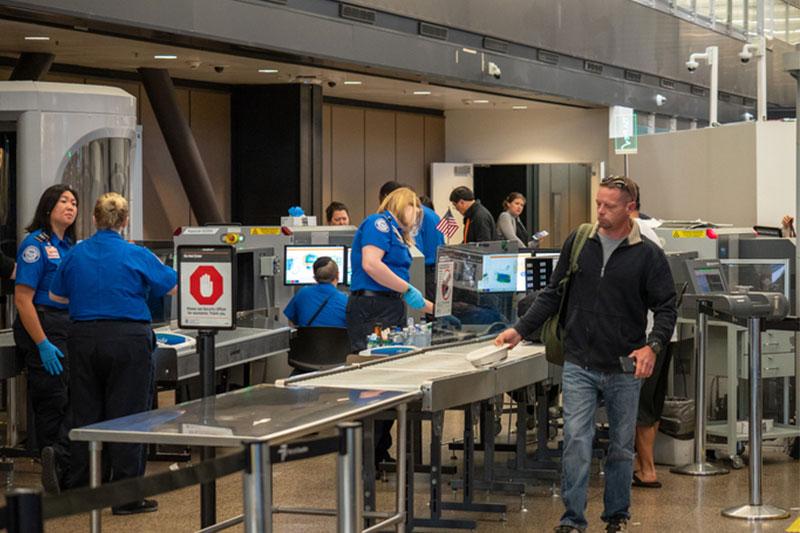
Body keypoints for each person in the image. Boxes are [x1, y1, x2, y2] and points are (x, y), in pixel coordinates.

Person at [494, 175, 677, 533]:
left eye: (609, 206)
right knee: (576, 442)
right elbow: (552, 293)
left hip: (624, 366)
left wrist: (652, 345)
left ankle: (616, 516)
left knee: (621, 447)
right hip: (579, 361)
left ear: (630, 208)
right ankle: (572, 520)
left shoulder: (648, 254)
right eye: (598, 203)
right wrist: (520, 330)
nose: (600, 211)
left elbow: (667, 307)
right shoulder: (580, 241)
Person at [50, 192, 177, 515]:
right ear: (125, 221)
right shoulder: (136, 253)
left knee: (85, 414)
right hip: (128, 339)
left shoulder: (75, 254)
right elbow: (172, 285)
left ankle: (82, 490)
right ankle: (126, 497)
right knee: (129, 416)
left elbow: (56, 296)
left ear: (94, 219)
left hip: (83, 338)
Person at [347, 186, 433, 467]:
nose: (417, 214)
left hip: (389, 306)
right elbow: (371, 265)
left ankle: (379, 450)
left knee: (389, 383)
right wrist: (408, 289)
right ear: (400, 204)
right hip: (372, 308)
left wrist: (431, 307)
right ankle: (365, 458)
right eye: (413, 207)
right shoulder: (378, 224)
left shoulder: (397, 232)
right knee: (374, 383)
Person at [13, 184, 78, 495]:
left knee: (71, 397)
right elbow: (22, 299)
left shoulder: (70, 247)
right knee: (52, 398)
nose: (71, 206)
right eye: (64, 201)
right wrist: (41, 343)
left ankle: (65, 463)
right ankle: (54, 465)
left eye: (74, 202)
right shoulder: (34, 245)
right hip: (42, 323)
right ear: (48, 207)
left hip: (67, 325)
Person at [379, 182, 445, 301]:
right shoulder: (432, 214)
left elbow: (414, 250)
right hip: (438, 269)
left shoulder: (413, 215)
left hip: (423, 271)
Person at [283, 256, 347, 328]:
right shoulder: (345, 300)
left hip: (306, 335)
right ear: (338, 275)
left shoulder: (302, 293)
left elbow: (291, 322)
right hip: (337, 336)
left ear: (315, 277)